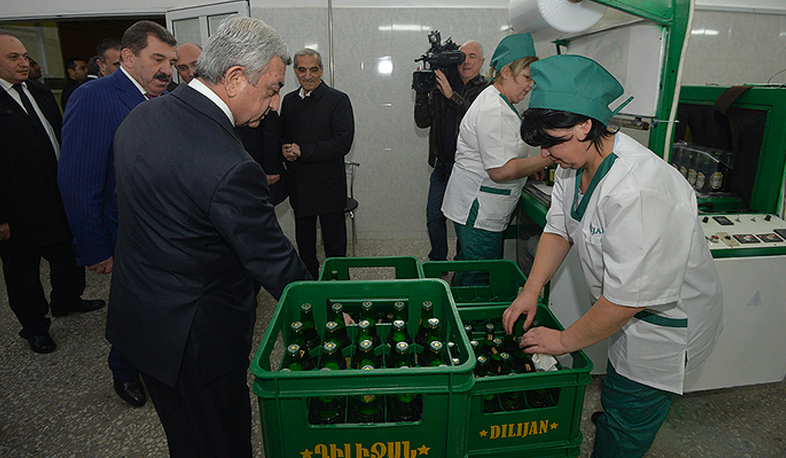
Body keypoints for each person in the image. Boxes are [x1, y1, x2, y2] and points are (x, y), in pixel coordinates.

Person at [107, 17, 310, 458]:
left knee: (185, 437)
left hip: (143, 323)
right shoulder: (230, 165)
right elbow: (273, 259)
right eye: (273, 88)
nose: (274, 103)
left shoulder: (142, 116)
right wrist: (329, 310)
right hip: (198, 342)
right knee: (221, 441)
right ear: (235, 78)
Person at [501, 54, 723, 458]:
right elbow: (558, 228)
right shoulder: (574, 164)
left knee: (626, 420)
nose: (547, 154)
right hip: (625, 313)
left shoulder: (639, 191)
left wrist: (565, 341)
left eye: (554, 141)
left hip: (662, 330)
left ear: (585, 124)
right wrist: (531, 289)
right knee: (618, 392)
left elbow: (626, 300)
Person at [58, 20, 177, 408]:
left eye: (172, 61)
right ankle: (124, 370)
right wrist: (94, 248)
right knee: (136, 310)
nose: (167, 70)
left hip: (160, 232)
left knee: (157, 307)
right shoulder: (96, 96)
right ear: (128, 57)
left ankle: (157, 365)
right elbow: (79, 180)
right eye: (157, 59)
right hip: (122, 234)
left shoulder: (161, 98)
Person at [0, 32, 104, 354]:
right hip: (15, 209)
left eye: (25, 56)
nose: (24, 63)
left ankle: (67, 300)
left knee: (67, 256)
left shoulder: (39, 91)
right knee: (23, 273)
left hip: (56, 197)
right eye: (13, 57)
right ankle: (34, 327)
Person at [441, 33, 551, 282]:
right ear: (505, 72)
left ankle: (459, 312)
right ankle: (467, 318)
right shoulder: (493, 108)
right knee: (478, 275)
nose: (530, 85)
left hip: (480, 203)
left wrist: (528, 167)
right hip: (479, 208)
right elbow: (500, 170)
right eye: (526, 77)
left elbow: (504, 151)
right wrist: (548, 158)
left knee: (470, 268)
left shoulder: (499, 101)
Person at [280, 48, 354, 279]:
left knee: (335, 247)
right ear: (295, 72)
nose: (308, 75)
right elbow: (282, 136)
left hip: (329, 187)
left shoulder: (338, 100)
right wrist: (284, 150)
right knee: (305, 245)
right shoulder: (289, 101)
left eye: (313, 69)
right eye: (302, 70)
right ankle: (310, 287)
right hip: (300, 186)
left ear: (321, 70)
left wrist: (303, 151)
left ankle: (340, 289)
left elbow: (342, 143)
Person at [415, 40, 488, 262]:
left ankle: (462, 262)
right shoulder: (444, 84)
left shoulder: (486, 89)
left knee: (463, 220)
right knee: (433, 216)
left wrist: (449, 94)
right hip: (443, 165)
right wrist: (422, 92)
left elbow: (477, 120)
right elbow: (422, 122)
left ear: (482, 62)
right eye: (462, 56)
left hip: (469, 169)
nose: (466, 61)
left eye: (472, 56)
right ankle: (438, 261)